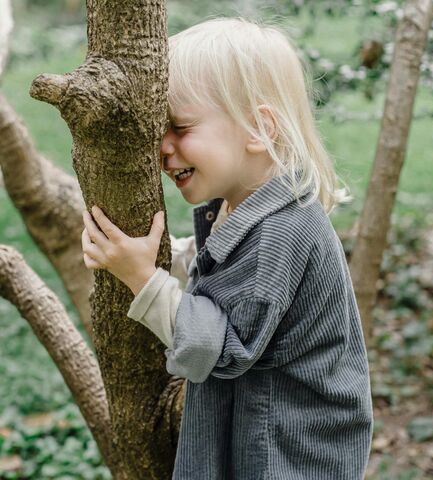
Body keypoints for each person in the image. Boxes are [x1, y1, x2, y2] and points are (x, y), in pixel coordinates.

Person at [81, 17, 373, 479]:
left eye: (179, 127)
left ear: (259, 128)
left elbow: (221, 350)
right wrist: (173, 255)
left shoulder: (283, 231)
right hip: (262, 426)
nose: (162, 148)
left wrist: (142, 277)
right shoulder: (246, 204)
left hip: (284, 452)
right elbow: (227, 268)